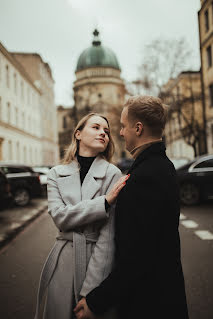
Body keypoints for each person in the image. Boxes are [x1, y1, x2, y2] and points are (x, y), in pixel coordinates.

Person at [74, 96, 189, 319]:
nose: (120, 133)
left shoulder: (145, 176)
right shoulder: (160, 166)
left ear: (138, 128)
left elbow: (137, 256)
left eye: (124, 126)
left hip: (150, 302)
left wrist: (97, 301)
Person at [34, 113, 129, 319]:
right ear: (78, 134)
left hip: (97, 265)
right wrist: (103, 203)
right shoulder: (56, 173)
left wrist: (91, 294)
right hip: (63, 264)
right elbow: (60, 217)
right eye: (96, 127)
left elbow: (108, 237)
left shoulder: (113, 174)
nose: (103, 133)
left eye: (106, 131)